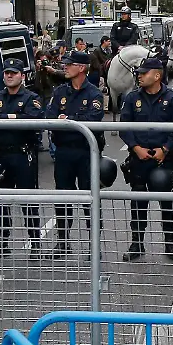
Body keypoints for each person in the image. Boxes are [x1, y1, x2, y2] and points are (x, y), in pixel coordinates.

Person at [119, 57, 173, 262]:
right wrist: (136, 148)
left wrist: (165, 149)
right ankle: (136, 244)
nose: (139, 76)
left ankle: (170, 244)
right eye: (138, 73)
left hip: (164, 159)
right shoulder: (132, 98)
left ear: (157, 75)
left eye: (143, 73)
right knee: (138, 201)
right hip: (139, 158)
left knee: (167, 202)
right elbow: (124, 126)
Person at [0, 58, 45, 256]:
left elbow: (32, 120)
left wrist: (3, 117)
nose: (9, 75)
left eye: (14, 73)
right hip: (0, 154)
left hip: (23, 154)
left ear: (22, 76)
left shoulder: (31, 97)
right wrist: (13, 117)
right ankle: (1, 243)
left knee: (27, 200)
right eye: (7, 72)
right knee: (0, 201)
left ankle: (35, 243)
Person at [47, 50, 106, 253]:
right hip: (63, 152)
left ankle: (94, 245)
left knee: (90, 199)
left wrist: (68, 120)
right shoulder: (59, 92)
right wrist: (71, 122)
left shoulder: (94, 94)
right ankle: (63, 241)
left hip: (85, 153)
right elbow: (50, 118)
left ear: (81, 68)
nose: (65, 67)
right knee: (63, 198)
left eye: (69, 64)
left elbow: (93, 120)